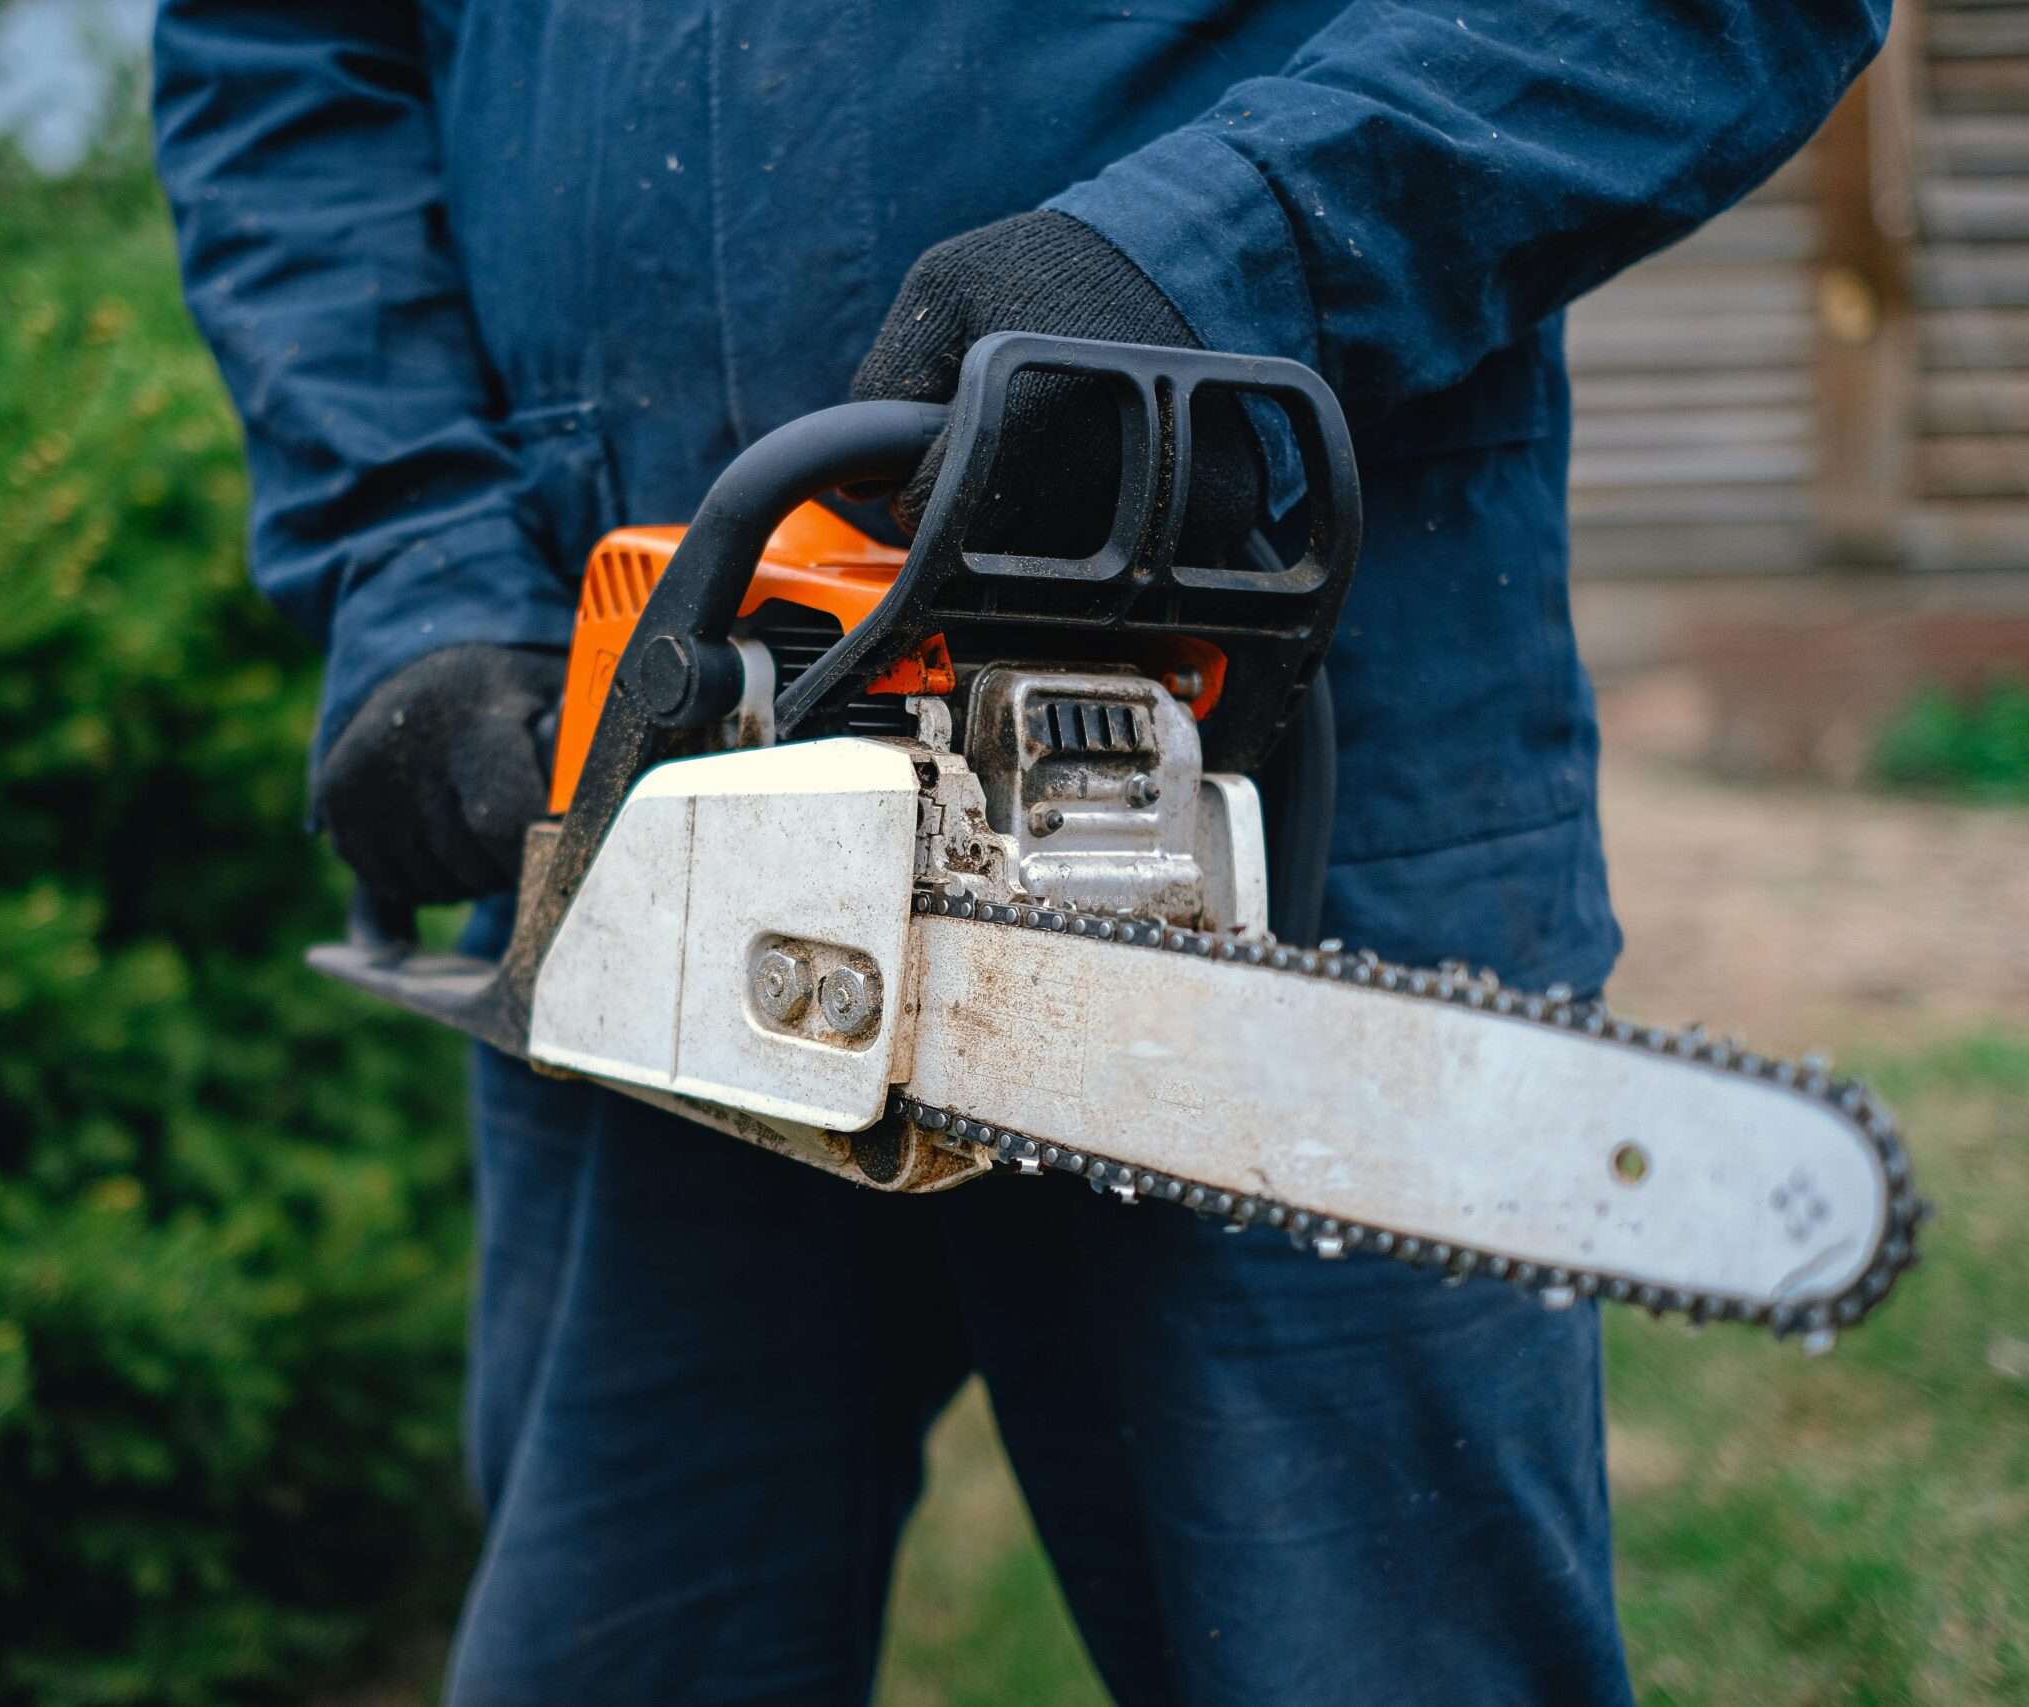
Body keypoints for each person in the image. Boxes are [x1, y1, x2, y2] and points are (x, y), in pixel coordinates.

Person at [152, 4, 1886, 1699]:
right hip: (643, 773)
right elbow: (283, 50)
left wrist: (1223, 255)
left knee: (1376, 1646)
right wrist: (416, 555)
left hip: (1275, 729)